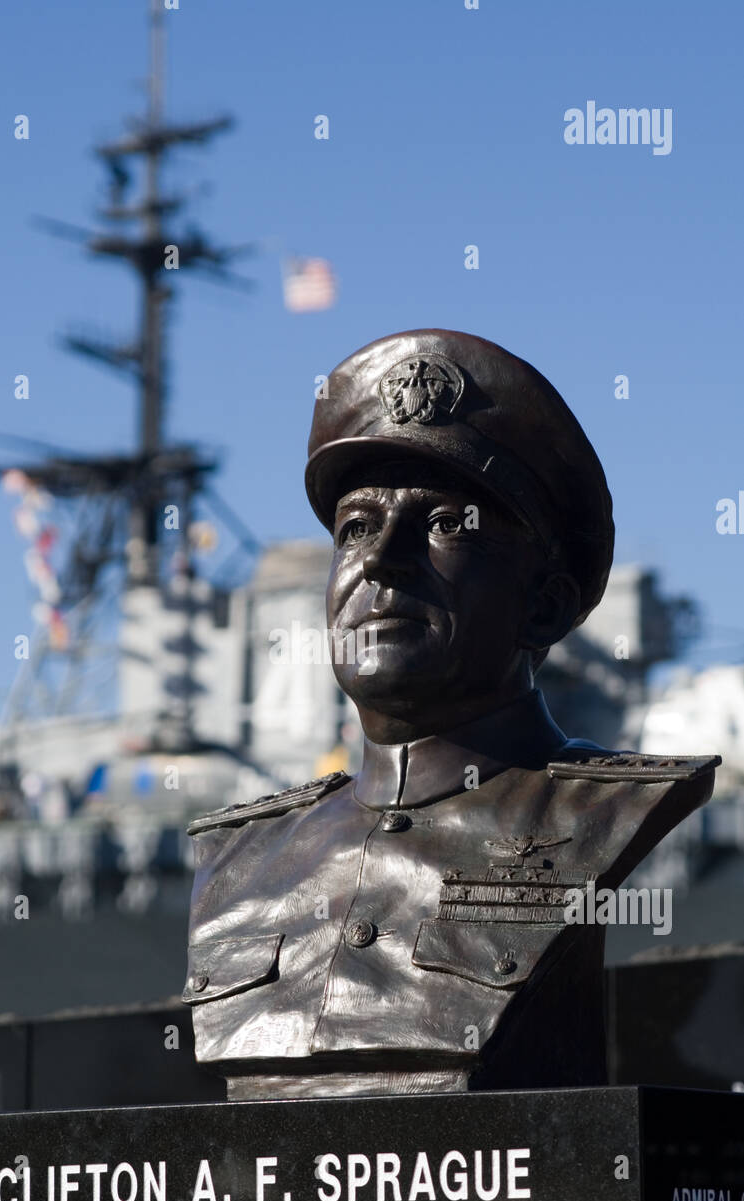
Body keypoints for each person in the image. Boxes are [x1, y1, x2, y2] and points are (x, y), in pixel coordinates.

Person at [183, 329, 718, 1100]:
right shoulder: (237, 854)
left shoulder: (607, 811)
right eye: (356, 527)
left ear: (545, 605)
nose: (380, 559)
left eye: (443, 525)